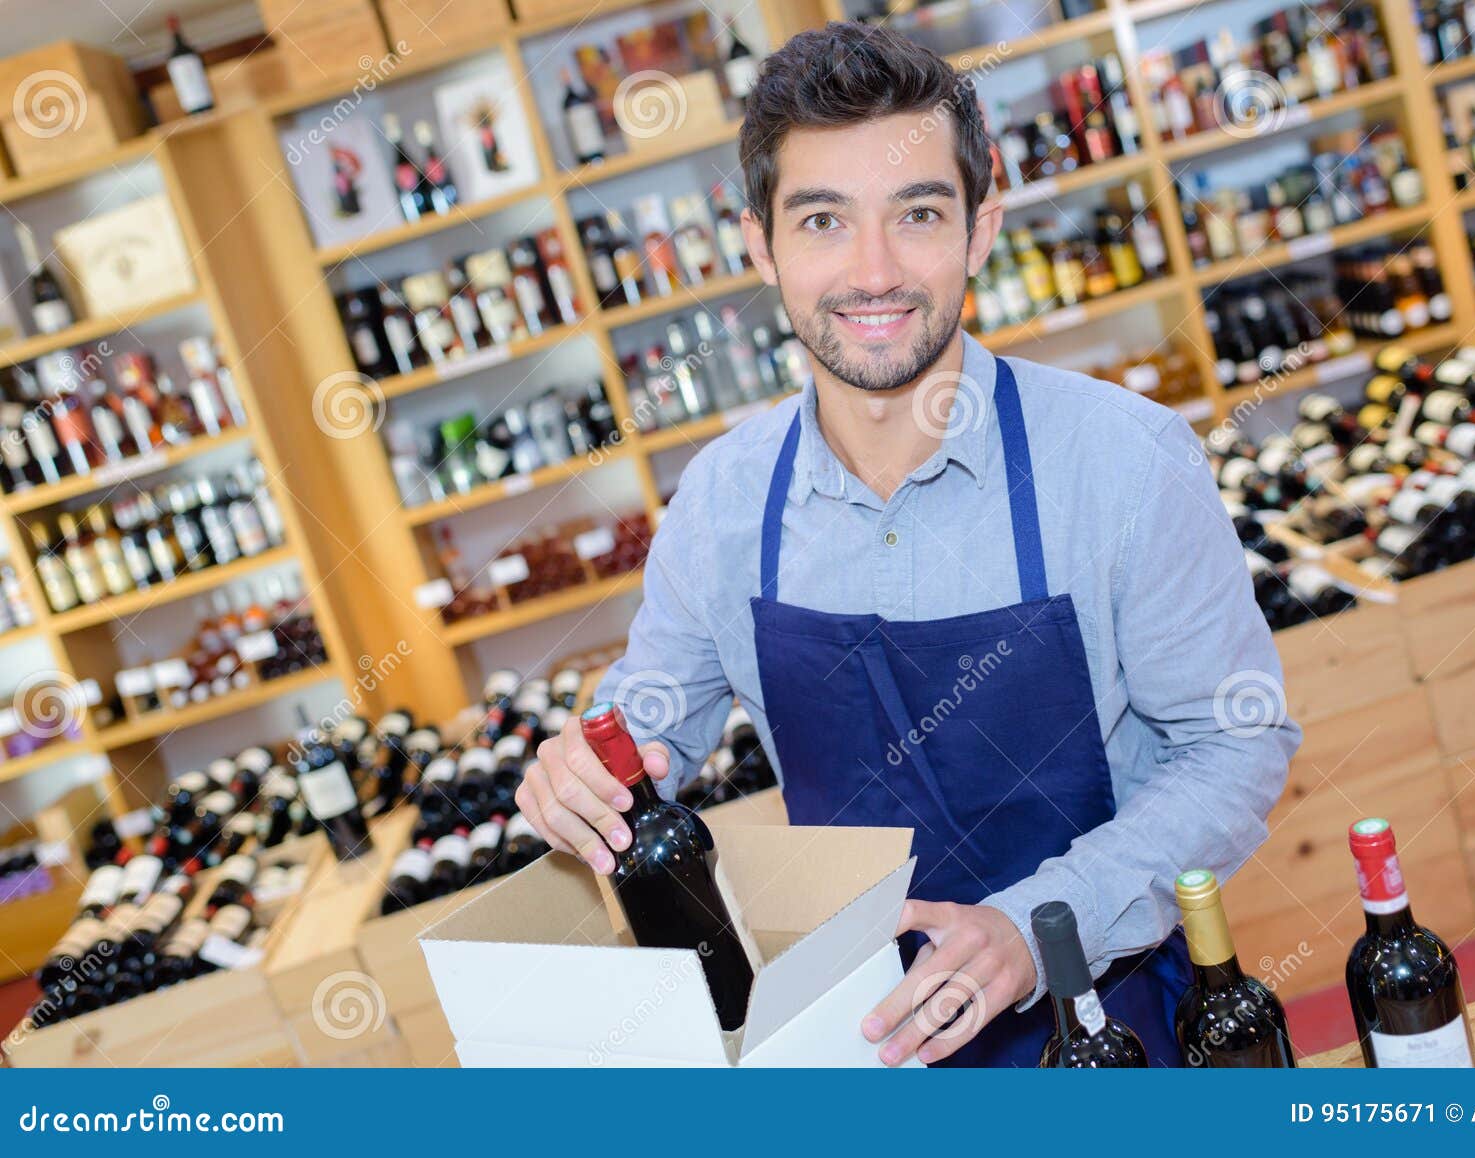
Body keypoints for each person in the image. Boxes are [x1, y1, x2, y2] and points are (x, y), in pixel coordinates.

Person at [516, 21, 1301, 1067]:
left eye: (917, 213)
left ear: (982, 229)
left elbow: (1234, 742)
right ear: (760, 247)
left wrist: (1036, 927)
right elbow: (652, 717)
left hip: (1113, 1026)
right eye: (823, 220)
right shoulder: (721, 506)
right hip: (866, 1045)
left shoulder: (1123, 461)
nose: (872, 271)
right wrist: (583, 768)